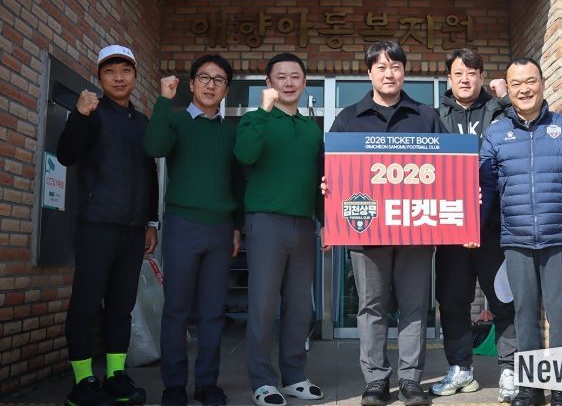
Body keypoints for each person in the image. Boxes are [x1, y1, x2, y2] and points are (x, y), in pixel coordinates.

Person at [479, 57, 562, 406]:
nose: (524, 89)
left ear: (542, 82)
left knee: (560, 315)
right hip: (516, 238)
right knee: (524, 315)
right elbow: (485, 186)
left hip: (558, 236)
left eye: (530, 81)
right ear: (508, 89)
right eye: (517, 83)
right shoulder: (496, 133)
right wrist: (473, 227)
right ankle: (530, 389)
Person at [327, 41, 445, 406]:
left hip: (416, 229)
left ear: (404, 72)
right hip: (366, 231)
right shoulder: (348, 118)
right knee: (371, 308)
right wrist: (327, 189)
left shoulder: (426, 116)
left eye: (395, 66)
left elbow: (449, 167)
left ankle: (411, 380)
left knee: (414, 308)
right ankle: (375, 381)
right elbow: (328, 168)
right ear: (369, 73)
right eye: (380, 67)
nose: (388, 73)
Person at [57, 44, 158, 406]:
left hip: (133, 230)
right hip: (96, 225)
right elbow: (66, 154)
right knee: (85, 305)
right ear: (99, 77)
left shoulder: (142, 122)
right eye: (110, 71)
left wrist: (151, 221)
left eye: (125, 70)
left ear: (135, 76)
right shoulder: (91, 112)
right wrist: (79, 115)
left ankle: (115, 375)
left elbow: (149, 175)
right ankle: (83, 382)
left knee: (121, 307)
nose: (118, 77)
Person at [143, 55, 244, 406]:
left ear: (226, 89)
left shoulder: (230, 132)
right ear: (191, 83)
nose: (210, 85)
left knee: (213, 311)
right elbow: (154, 147)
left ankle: (207, 384)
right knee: (177, 309)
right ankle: (174, 385)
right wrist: (163, 100)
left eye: (219, 80)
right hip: (183, 224)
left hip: (221, 228)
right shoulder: (175, 121)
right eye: (204, 77)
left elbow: (238, 182)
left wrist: (237, 227)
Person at [234, 53, 325, 406]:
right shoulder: (255, 119)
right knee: (262, 305)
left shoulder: (311, 129)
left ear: (305, 82)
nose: (288, 83)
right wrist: (264, 111)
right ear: (268, 83)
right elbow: (245, 155)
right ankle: (262, 381)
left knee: (299, 306)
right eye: (281, 77)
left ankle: (295, 376)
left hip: (303, 224)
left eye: (295, 76)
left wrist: (325, 222)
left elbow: (320, 181)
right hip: (266, 221)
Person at [431, 48, 518, 403]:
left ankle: (510, 369)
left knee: (503, 299)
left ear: (482, 76)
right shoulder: (436, 116)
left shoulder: (498, 110)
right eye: (458, 73)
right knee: (452, 300)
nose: (465, 79)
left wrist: (506, 97)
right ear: (449, 79)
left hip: (494, 226)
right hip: (451, 226)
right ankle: (460, 368)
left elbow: (525, 122)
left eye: (471, 73)